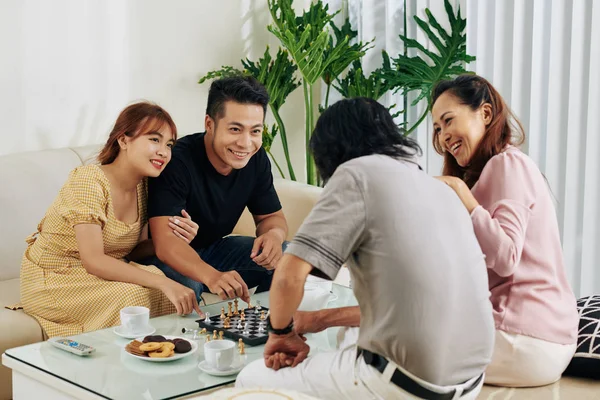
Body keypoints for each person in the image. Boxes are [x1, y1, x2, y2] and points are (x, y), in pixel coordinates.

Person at [236, 97, 495, 399]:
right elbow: (412, 302)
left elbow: (288, 275)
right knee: (348, 336)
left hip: (409, 383)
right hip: (470, 382)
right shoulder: (440, 189)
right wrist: (317, 320)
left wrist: (280, 335)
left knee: (251, 378)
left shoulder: (356, 173)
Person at [431, 74, 578, 387]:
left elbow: (506, 256)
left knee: (386, 346)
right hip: (539, 338)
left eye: (448, 121)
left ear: (485, 114)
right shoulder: (491, 173)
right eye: (438, 129)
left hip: (525, 338)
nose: (443, 136)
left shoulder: (506, 164)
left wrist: (460, 192)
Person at [19, 102, 203, 338]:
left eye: (169, 144)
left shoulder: (146, 188)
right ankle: (117, 366)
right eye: (154, 140)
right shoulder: (88, 181)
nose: (164, 152)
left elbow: (129, 252)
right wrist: (166, 283)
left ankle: (162, 358)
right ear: (123, 140)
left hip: (100, 274)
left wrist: (169, 239)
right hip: (55, 279)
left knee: (164, 288)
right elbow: (94, 260)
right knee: (137, 298)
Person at [143, 76, 288, 304]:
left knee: (289, 256)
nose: (245, 143)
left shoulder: (256, 159)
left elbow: (271, 217)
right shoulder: (178, 160)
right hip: (168, 255)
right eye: (235, 129)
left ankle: (263, 324)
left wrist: (273, 235)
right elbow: (165, 242)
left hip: (214, 249)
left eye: (255, 131)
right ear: (209, 124)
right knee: (189, 285)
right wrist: (212, 276)